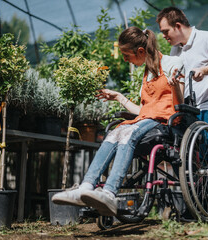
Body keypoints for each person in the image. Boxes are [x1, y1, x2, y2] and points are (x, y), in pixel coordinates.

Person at [52, 26, 185, 216]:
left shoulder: (174, 63)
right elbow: (143, 110)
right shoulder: (147, 74)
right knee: (115, 132)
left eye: (126, 55)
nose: (124, 60)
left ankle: (110, 192)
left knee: (127, 132)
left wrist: (175, 88)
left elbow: (179, 107)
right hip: (146, 120)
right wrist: (118, 97)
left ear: (140, 51)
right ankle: (86, 186)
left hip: (166, 123)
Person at [156, 7, 208, 132]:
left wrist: (204, 70)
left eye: (166, 31)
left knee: (201, 144)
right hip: (188, 108)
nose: (164, 36)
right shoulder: (175, 50)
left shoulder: (207, 38)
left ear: (178, 26)